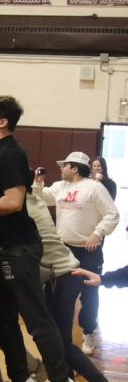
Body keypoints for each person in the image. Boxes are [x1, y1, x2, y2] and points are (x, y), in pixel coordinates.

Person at [0, 95, 81, 382]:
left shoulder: (10, 153)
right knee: (0, 317)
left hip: (15, 248)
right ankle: (22, 380)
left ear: (2, 121)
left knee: (35, 318)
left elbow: (13, 201)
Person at [26, 182, 126, 382]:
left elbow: (112, 214)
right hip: (59, 273)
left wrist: (97, 233)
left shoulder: (22, 206)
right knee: (57, 338)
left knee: (59, 339)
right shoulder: (37, 198)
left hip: (64, 273)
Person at [33, 151, 119, 356]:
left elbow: (112, 214)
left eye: (65, 165)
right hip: (64, 251)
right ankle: (61, 344)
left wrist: (97, 233)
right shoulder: (60, 186)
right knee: (61, 297)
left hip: (88, 251)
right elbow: (42, 198)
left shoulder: (94, 188)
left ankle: (88, 332)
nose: (60, 168)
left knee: (89, 294)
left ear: (74, 168)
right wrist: (38, 182)